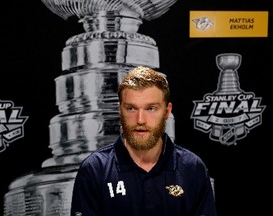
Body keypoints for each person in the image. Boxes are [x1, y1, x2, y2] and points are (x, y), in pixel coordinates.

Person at [70, 66, 217, 216]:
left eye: (151, 108)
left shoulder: (192, 168)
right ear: (120, 110)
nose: (140, 120)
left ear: (167, 111)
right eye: (131, 109)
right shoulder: (94, 170)